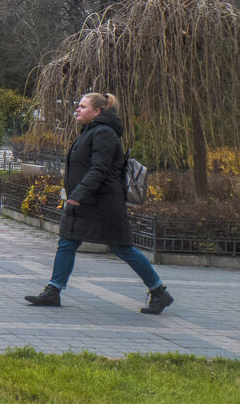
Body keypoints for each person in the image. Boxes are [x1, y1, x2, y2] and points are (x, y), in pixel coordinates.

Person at [24, 92, 173, 314]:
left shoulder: (104, 133)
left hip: (104, 204)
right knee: (67, 242)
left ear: (97, 111)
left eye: (83, 106)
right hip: (84, 201)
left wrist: (79, 193)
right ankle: (53, 292)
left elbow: (100, 169)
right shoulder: (91, 131)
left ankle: (159, 292)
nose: (77, 109)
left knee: (122, 248)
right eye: (78, 106)